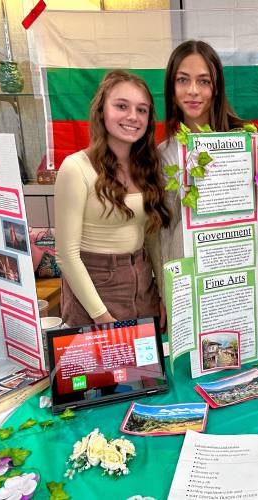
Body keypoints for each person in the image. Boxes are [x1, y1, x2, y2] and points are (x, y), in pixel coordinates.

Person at [55, 70, 171, 327]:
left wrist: (162, 294)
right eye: (121, 106)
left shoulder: (147, 166)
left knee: (147, 368)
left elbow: (151, 237)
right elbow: (66, 254)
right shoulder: (75, 168)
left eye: (142, 110)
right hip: (95, 289)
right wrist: (101, 316)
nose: (133, 116)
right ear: (101, 111)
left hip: (143, 285)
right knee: (101, 368)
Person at [159, 40, 248, 263]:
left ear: (216, 88)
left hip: (237, 271)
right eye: (182, 80)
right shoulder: (164, 154)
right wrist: (166, 288)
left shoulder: (245, 142)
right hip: (188, 274)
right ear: (171, 87)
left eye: (203, 81)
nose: (193, 91)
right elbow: (165, 230)